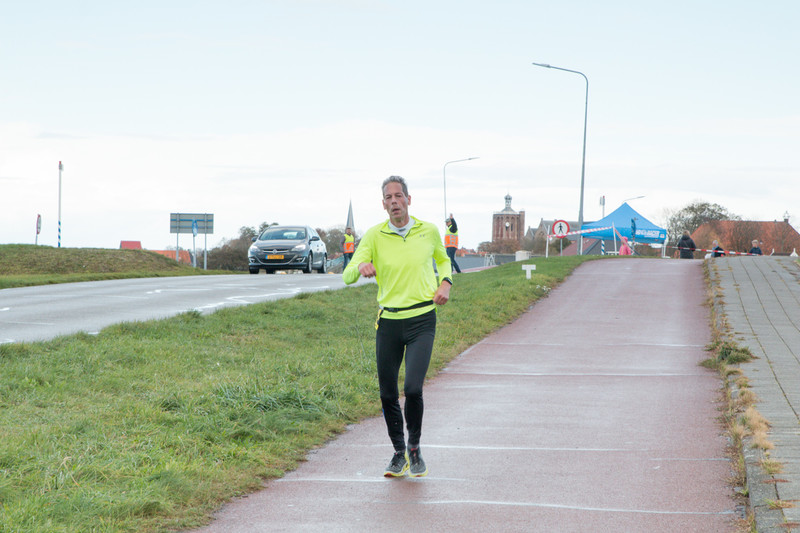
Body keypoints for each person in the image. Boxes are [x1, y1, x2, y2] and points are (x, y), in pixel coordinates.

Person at [343, 175, 452, 478]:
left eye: (398, 196)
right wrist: (360, 266)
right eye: (388, 198)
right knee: (387, 393)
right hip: (389, 322)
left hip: (422, 319)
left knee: (413, 388)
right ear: (383, 205)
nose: (394, 201)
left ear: (408, 200)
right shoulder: (374, 236)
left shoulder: (428, 230)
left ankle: (414, 449)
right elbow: (347, 275)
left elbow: (443, 260)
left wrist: (445, 282)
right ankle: (398, 452)